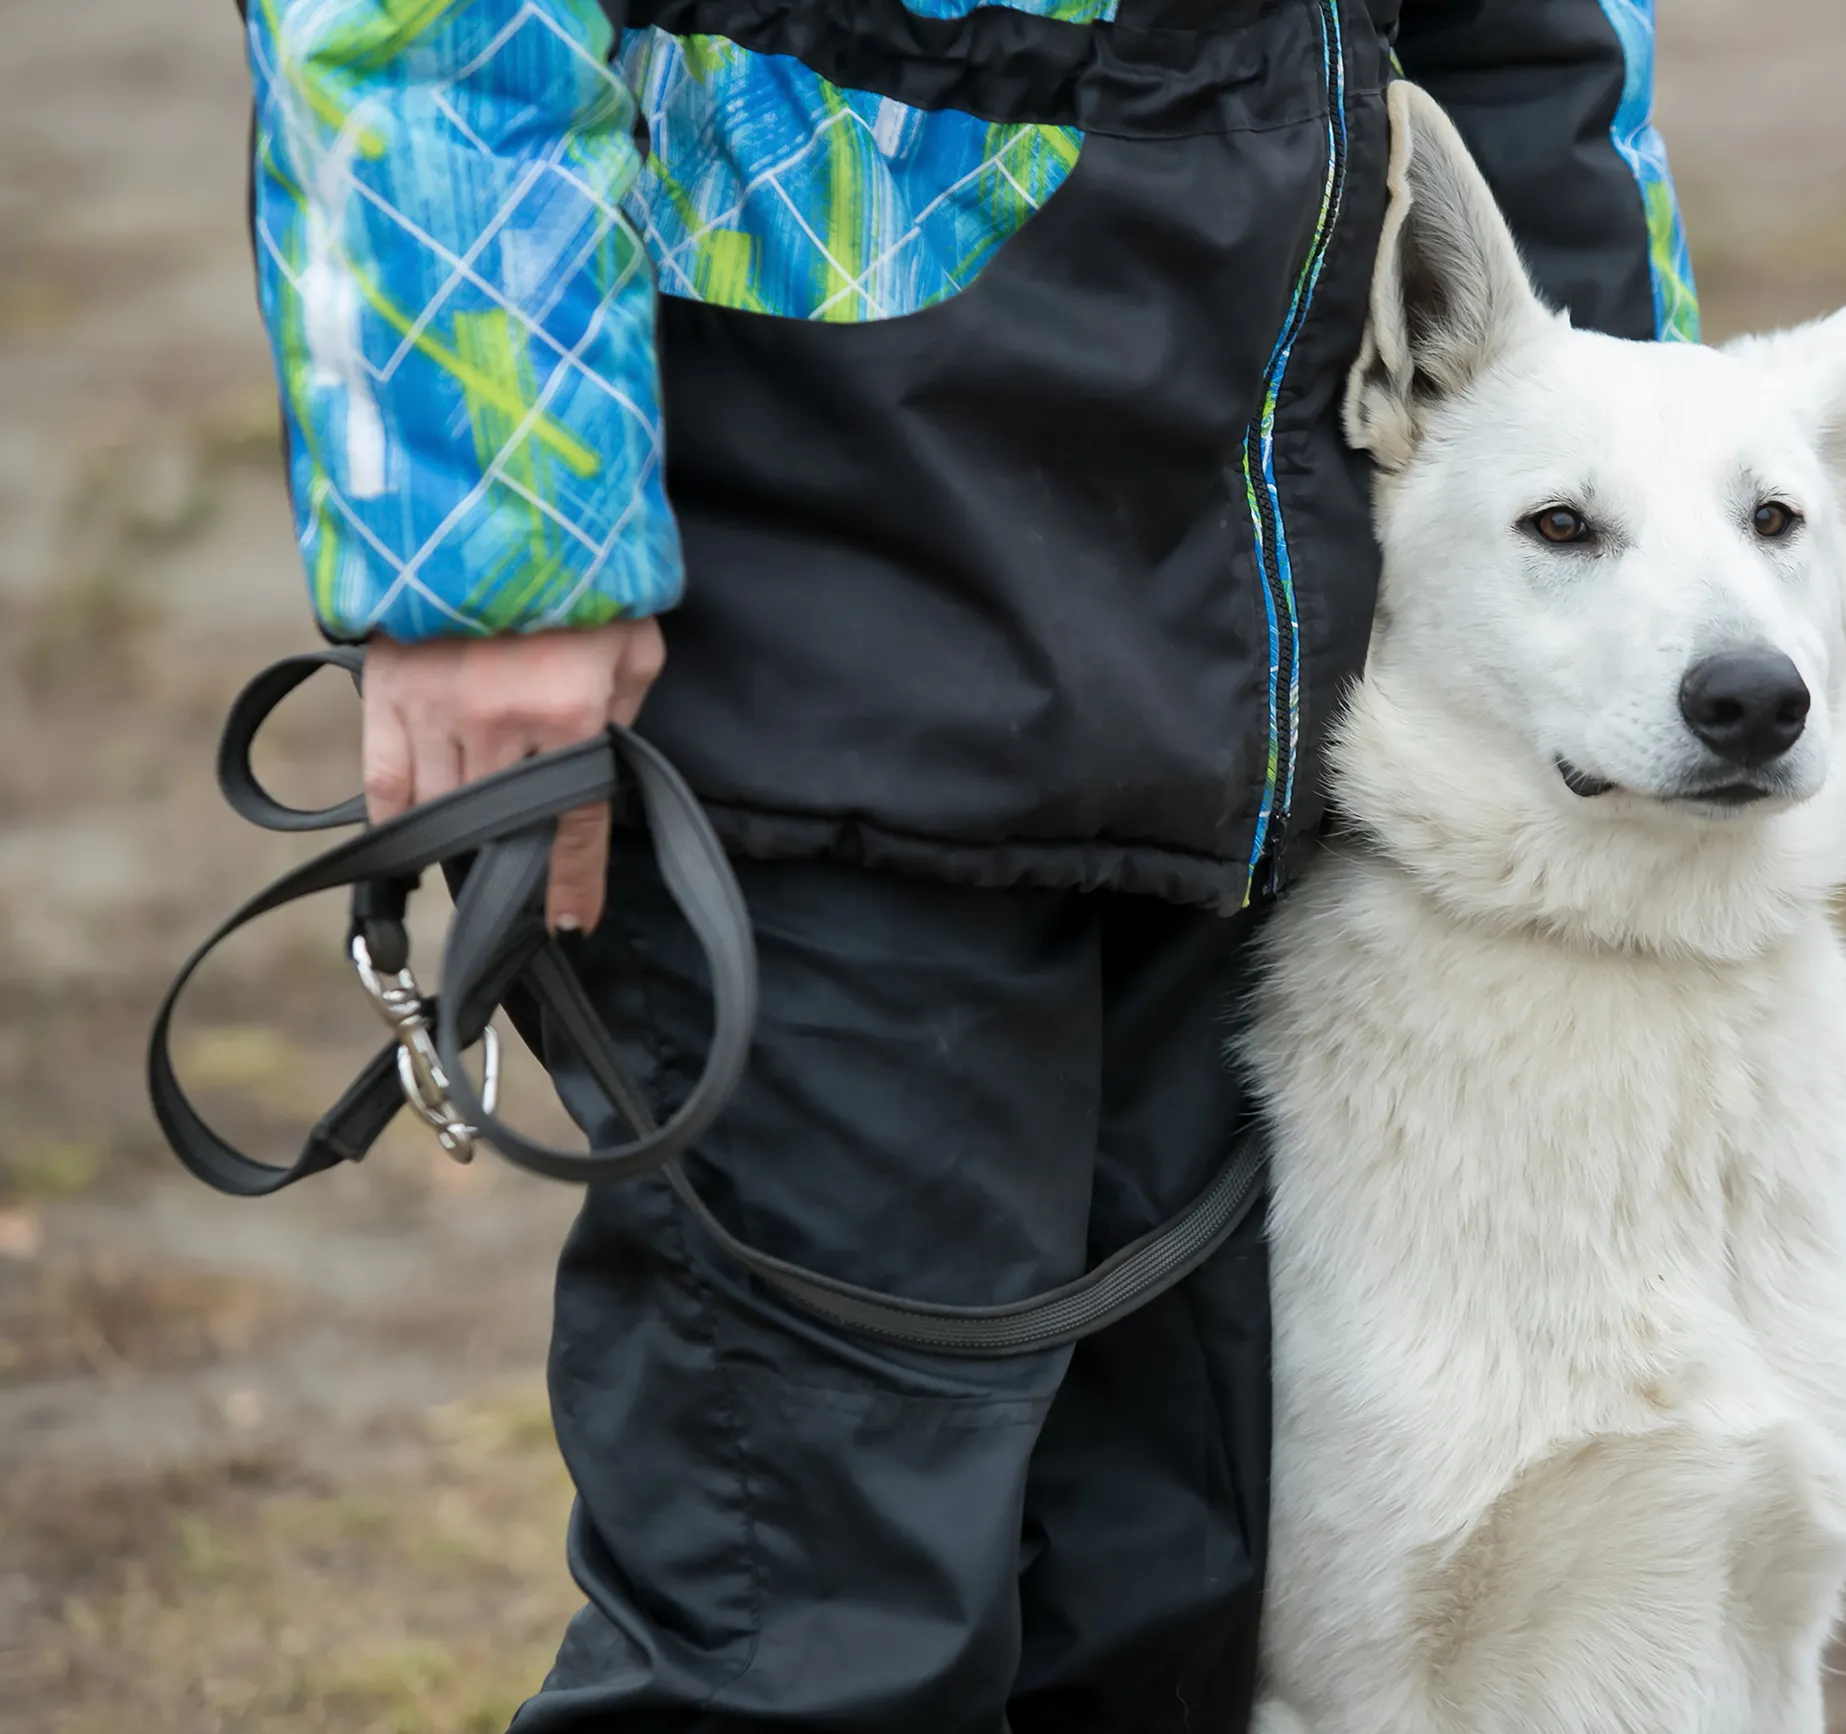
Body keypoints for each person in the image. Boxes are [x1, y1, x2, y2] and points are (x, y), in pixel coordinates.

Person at [238, 0, 1697, 1727]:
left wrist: (1628, 519)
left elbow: (1538, 49)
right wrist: (503, 542)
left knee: (1164, 1606)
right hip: (812, 616)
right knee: (827, 1646)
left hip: (1265, 686)